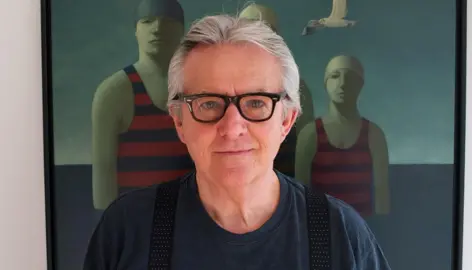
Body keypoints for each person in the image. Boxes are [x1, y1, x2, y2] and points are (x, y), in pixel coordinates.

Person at [83, 14, 391, 270]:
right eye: (208, 103)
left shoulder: (342, 235)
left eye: (256, 103)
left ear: (286, 121)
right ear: (179, 121)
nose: (232, 128)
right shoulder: (127, 231)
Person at [90, 0, 195, 210]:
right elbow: (104, 179)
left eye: (167, 21)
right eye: (148, 21)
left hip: (192, 221)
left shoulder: (200, 86)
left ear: (181, 30)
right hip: (136, 225)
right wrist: (113, 237)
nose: (157, 28)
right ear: (136, 31)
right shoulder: (114, 93)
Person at [295, 55, 390, 217]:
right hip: (322, 229)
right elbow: (300, 197)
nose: (343, 84)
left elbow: (382, 199)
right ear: (326, 83)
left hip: (361, 231)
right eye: (335, 76)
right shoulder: (310, 134)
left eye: (350, 78)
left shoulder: (373, 135)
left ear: (360, 85)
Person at [238, 3, 315, 177]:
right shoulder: (221, 85)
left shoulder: (297, 89)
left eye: (264, 30)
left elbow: (306, 156)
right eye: (248, 29)